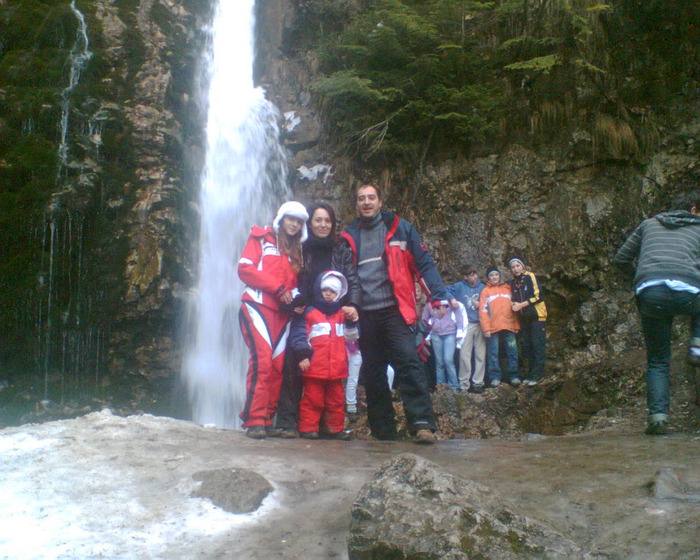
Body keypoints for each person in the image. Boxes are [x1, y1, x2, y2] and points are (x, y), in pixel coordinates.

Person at [341, 183, 447, 444]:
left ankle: (422, 424)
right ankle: (383, 431)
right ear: (356, 204)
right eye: (361, 199)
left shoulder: (400, 228)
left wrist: (438, 296)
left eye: (371, 198)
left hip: (395, 310)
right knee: (373, 371)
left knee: (409, 362)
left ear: (379, 201)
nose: (366, 202)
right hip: (365, 314)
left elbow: (423, 263)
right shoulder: (349, 236)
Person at [612, 192, 700, 435]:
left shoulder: (648, 224)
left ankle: (658, 418)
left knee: (658, 360)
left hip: (651, 292)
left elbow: (620, 259)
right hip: (690, 292)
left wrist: (643, 278)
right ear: (693, 210)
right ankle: (697, 344)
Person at [272, 203, 361, 438]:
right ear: (310, 223)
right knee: (294, 363)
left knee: (329, 375)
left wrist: (351, 305)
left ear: (333, 224)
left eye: (327, 221)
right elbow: (288, 276)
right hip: (303, 312)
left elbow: (351, 279)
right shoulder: (300, 247)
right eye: (318, 220)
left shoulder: (340, 249)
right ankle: (287, 423)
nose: (323, 225)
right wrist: (294, 302)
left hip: (332, 315)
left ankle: (327, 426)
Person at [237, 201, 308, 439]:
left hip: (282, 315)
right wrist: (277, 288)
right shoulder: (261, 237)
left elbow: (293, 286)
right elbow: (245, 269)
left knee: (277, 368)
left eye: (299, 222)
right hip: (257, 306)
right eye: (291, 219)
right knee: (262, 362)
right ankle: (253, 419)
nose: (294, 224)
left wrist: (298, 303)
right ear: (281, 218)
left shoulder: (296, 252)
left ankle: (266, 419)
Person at [289, 271, 356, 440]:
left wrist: (351, 321)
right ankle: (308, 427)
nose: (328, 294)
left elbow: (352, 338)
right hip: (314, 367)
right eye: (325, 290)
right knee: (312, 399)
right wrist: (303, 356)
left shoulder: (342, 315)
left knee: (336, 401)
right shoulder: (310, 312)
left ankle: (335, 428)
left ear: (339, 294)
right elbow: (300, 335)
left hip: (337, 368)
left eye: (333, 291)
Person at [479, 266, 521, 387]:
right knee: (493, 353)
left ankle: (514, 376)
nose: (494, 277)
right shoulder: (485, 291)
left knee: (512, 351)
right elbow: (483, 311)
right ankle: (495, 377)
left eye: (496, 275)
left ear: (499, 276)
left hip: (508, 325)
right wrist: (486, 328)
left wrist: (516, 324)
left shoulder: (508, 289)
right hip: (493, 327)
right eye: (491, 275)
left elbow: (514, 308)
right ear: (488, 278)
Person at [509, 257, 547, 387]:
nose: (516, 269)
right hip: (524, 319)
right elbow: (513, 299)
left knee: (538, 345)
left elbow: (538, 295)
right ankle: (531, 374)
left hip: (537, 316)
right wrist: (514, 304)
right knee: (528, 347)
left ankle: (539, 375)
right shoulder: (513, 283)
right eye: (513, 267)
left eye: (517, 266)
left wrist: (521, 305)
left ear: (522, 266)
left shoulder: (530, 277)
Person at [448, 266, 486, 393]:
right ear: (465, 277)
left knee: (480, 354)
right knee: (464, 355)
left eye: (475, 274)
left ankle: (478, 382)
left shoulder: (483, 287)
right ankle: (464, 383)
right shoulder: (459, 286)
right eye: (471, 275)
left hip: (480, 323)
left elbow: (490, 302)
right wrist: (452, 298)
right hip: (466, 324)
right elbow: (445, 290)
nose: (474, 277)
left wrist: (481, 305)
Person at [421, 299, 464, 390]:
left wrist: (460, 329)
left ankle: (454, 387)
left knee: (448, 360)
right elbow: (424, 319)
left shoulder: (448, 300)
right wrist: (427, 336)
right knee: (439, 362)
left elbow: (458, 313)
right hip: (436, 334)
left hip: (450, 333)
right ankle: (441, 387)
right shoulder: (429, 303)